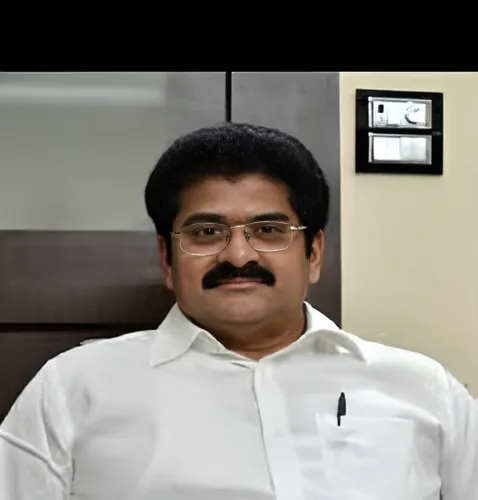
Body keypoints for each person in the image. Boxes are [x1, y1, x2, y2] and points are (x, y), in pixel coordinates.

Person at [0, 122, 476, 500]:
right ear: (167, 260)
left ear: (313, 254)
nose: (238, 255)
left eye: (268, 230)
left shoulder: (425, 389)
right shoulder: (73, 388)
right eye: (206, 233)